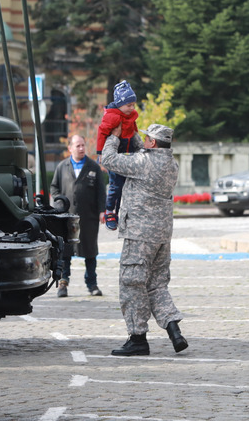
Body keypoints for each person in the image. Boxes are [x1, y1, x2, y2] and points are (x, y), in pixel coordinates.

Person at [99, 123, 187, 356]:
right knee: (157, 285)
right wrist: (134, 132)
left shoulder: (143, 163)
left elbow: (108, 159)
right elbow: (143, 149)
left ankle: (137, 338)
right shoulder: (171, 164)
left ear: (153, 143)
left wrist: (115, 137)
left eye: (147, 138)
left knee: (132, 284)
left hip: (139, 235)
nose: (144, 141)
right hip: (161, 236)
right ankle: (173, 329)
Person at [50, 135, 107, 298]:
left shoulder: (93, 167)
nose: (81, 148)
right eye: (78, 146)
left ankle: (92, 284)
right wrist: (59, 203)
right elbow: (54, 188)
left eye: (83, 145)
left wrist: (102, 210)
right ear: (70, 148)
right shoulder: (62, 166)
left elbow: (101, 192)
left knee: (90, 251)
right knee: (65, 251)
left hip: (88, 218)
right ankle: (63, 283)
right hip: (67, 218)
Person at [96, 80, 140, 230]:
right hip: (114, 154)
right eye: (129, 105)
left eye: (133, 104)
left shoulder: (131, 115)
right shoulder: (112, 117)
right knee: (115, 185)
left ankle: (119, 212)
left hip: (127, 153)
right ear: (120, 104)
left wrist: (138, 148)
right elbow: (101, 133)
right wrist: (100, 153)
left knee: (124, 186)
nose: (132, 108)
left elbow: (134, 130)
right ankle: (109, 210)